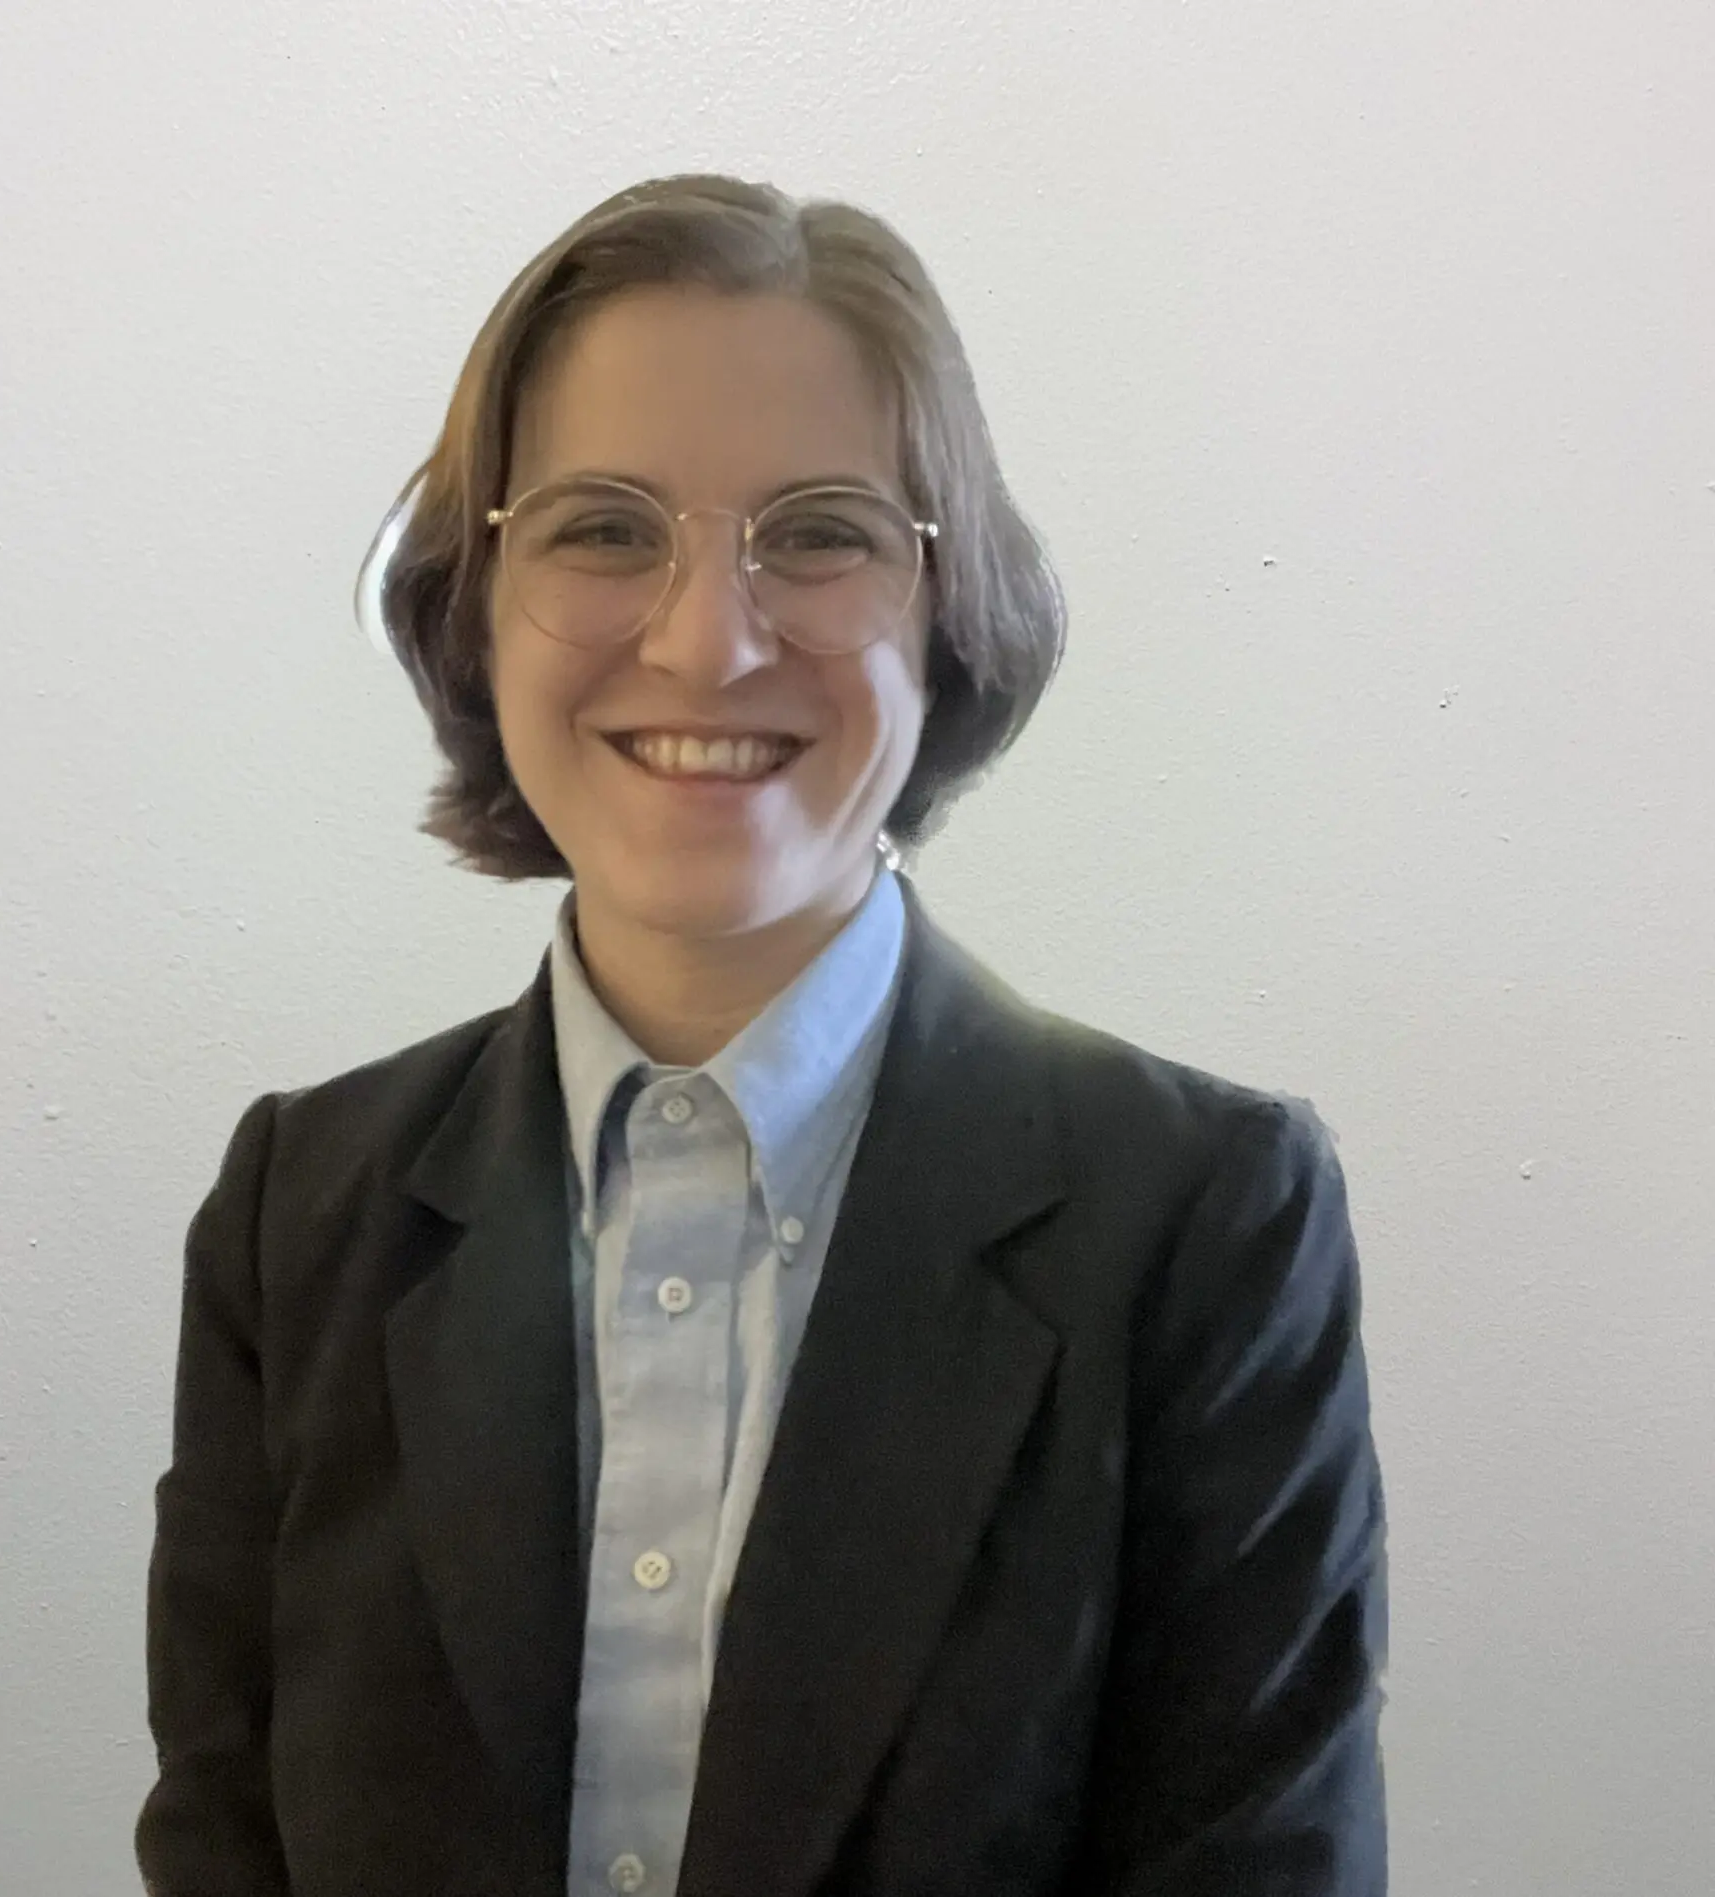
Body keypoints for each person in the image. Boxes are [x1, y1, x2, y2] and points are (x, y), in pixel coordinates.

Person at [137, 173, 1388, 1897]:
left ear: (949, 614)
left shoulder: (1207, 1222)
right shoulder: (302, 1213)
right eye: (601, 527)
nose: (707, 640)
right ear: (473, 598)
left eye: (820, 531)